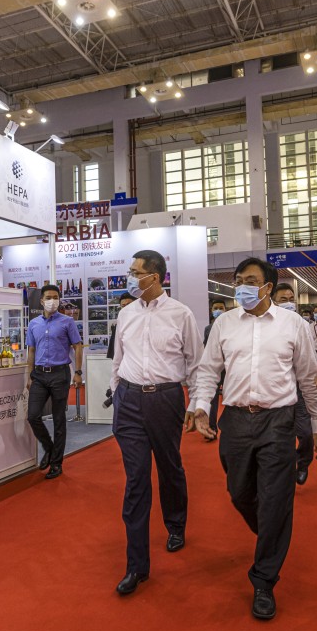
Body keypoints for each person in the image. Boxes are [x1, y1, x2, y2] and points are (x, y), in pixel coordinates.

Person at [193, 258, 317, 621]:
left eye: (249, 281)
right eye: (238, 280)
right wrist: (201, 406)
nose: (241, 287)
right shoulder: (224, 323)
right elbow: (208, 370)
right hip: (235, 420)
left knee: (275, 501)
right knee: (239, 493)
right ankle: (270, 530)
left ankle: (264, 579)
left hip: (278, 421)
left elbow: (308, 378)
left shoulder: (292, 325)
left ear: (268, 287)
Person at [109, 249, 203, 596]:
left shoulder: (181, 314)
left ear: (156, 277)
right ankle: (136, 565)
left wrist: (197, 404)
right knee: (136, 479)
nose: (131, 277)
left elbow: (195, 362)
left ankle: (176, 524)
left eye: (136, 272)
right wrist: (117, 393)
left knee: (169, 466)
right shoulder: (127, 314)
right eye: (130, 271)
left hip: (166, 399)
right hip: (130, 401)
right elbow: (118, 359)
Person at [26, 284, 83, 480]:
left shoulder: (67, 321)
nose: (52, 300)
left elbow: (77, 346)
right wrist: (29, 375)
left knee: (59, 420)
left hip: (60, 374)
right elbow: (31, 351)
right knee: (33, 416)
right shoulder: (33, 324)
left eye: (55, 297)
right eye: (49, 297)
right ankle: (49, 449)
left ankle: (57, 463)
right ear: (41, 301)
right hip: (39, 376)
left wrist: (78, 372)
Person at [270, 283, 316, 486]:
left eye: (291, 299)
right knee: (282, 436)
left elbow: (309, 360)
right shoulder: (266, 327)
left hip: (299, 387)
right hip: (277, 389)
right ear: (272, 301)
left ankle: (303, 463)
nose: (289, 303)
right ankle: (285, 470)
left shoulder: (301, 324)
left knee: (305, 433)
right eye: (283, 300)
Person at [201, 299, 229, 441]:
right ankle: (212, 428)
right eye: (215, 308)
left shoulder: (232, 326)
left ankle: (230, 428)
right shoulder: (208, 328)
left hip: (230, 368)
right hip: (215, 368)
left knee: (230, 397)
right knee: (212, 399)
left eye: (221, 307)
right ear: (211, 310)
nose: (218, 310)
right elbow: (207, 349)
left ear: (225, 309)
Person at [106, 293, 135, 359]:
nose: (126, 308)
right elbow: (114, 353)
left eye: (129, 305)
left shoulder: (143, 323)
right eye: (123, 306)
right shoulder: (117, 327)